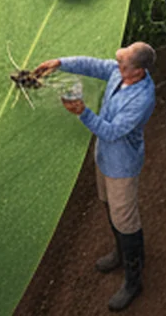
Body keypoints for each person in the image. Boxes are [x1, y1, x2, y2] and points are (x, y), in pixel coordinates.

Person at [34, 43, 157, 311]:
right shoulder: (119, 72)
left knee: (125, 219)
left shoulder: (142, 98)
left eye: (122, 62)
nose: (116, 63)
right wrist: (59, 61)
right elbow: (94, 65)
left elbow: (113, 132)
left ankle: (133, 280)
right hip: (104, 157)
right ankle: (121, 253)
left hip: (121, 166)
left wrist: (83, 113)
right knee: (109, 206)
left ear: (136, 71)